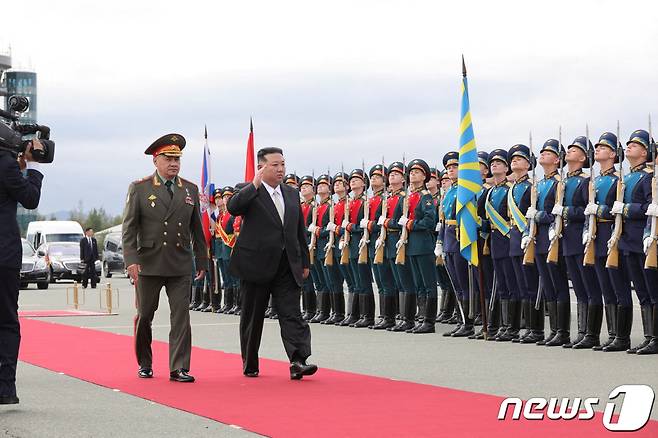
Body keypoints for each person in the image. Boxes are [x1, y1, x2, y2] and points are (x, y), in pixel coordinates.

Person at [122, 133, 207, 383]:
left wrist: (201, 261)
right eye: (168, 158)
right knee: (145, 315)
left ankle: (179, 367)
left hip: (180, 262)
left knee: (181, 315)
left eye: (177, 159)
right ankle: (145, 362)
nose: (173, 164)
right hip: (149, 262)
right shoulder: (140, 188)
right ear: (155, 160)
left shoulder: (189, 189)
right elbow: (129, 228)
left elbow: (197, 230)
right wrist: (131, 261)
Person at [227, 147, 317, 380]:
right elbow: (233, 208)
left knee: (291, 313)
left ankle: (298, 360)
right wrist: (254, 184)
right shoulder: (248, 191)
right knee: (253, 315)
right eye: (275, 165)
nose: (280, 169)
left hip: (287, 264)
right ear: (261, 167)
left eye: (283, 164)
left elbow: (298, 229)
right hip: (256, 264)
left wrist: (304, 260)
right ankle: (250, 361)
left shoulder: (290, 193)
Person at [0, 139, 44, 405]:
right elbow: (30, 198)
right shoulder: (6, 164)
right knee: (6, 321)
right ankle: (6, 388)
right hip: (4, 254)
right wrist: (33, 164)